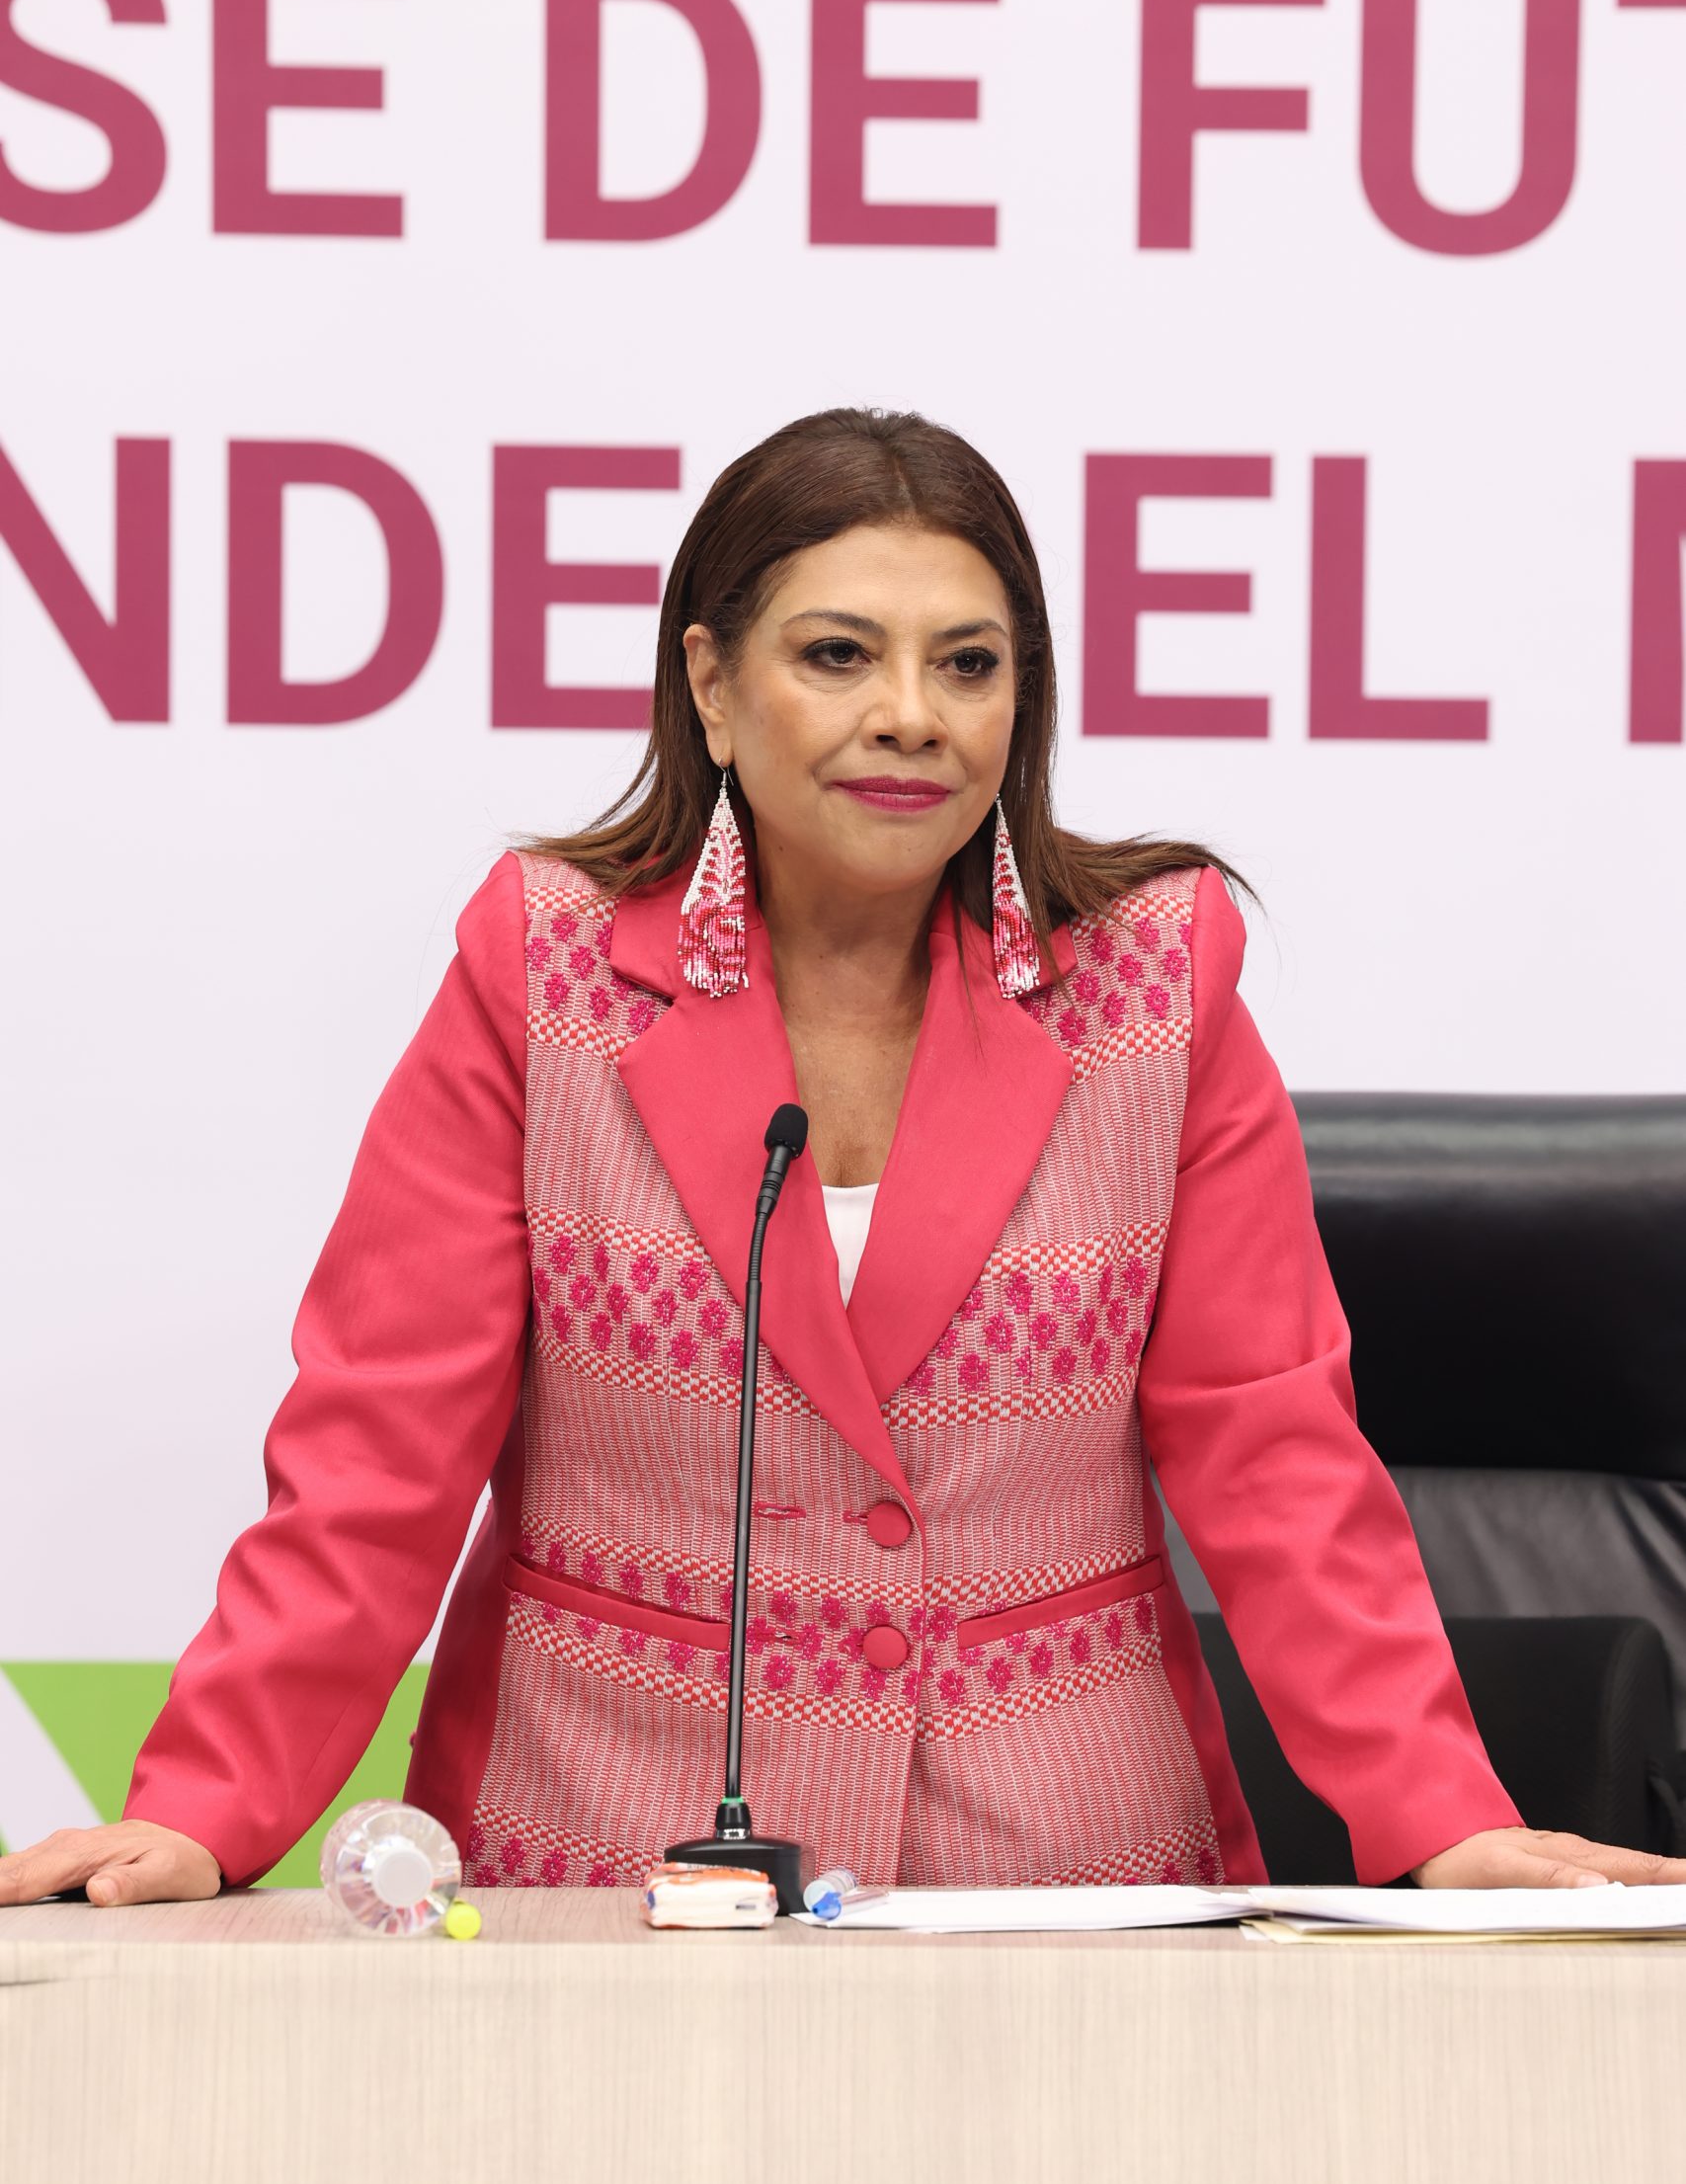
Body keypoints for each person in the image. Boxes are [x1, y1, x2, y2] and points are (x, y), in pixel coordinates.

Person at [5, 406, 1682, 1910]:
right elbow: (375, 1457)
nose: (911, 717)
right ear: (713, 685)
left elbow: (1276, 1456)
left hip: (1066, 1875)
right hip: (606, 1859)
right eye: (838, 655)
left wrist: (1440, 1819)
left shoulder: (1155, 983)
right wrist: (209, 1810)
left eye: (970, 664)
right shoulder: (547, 973)